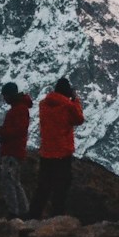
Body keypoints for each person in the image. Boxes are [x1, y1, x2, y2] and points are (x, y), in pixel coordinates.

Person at [31, 76, 84, 219]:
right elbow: (79, 119)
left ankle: (34, 215)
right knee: (61, 186)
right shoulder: (68, 106)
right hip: (62, 152)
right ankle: (57, 216)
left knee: (43, 186)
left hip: (46, 151)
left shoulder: (43, 104)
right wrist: (75, 100)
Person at [0, 82, 33, 218]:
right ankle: (24, 212)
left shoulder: (18, 110)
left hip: (12, 150)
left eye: (5, 96)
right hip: (15, 150)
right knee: (15, 181)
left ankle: (14, 212)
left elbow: (18, 130)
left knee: (9, 180)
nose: (4, 99)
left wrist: (1, 132)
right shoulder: (19, 109)